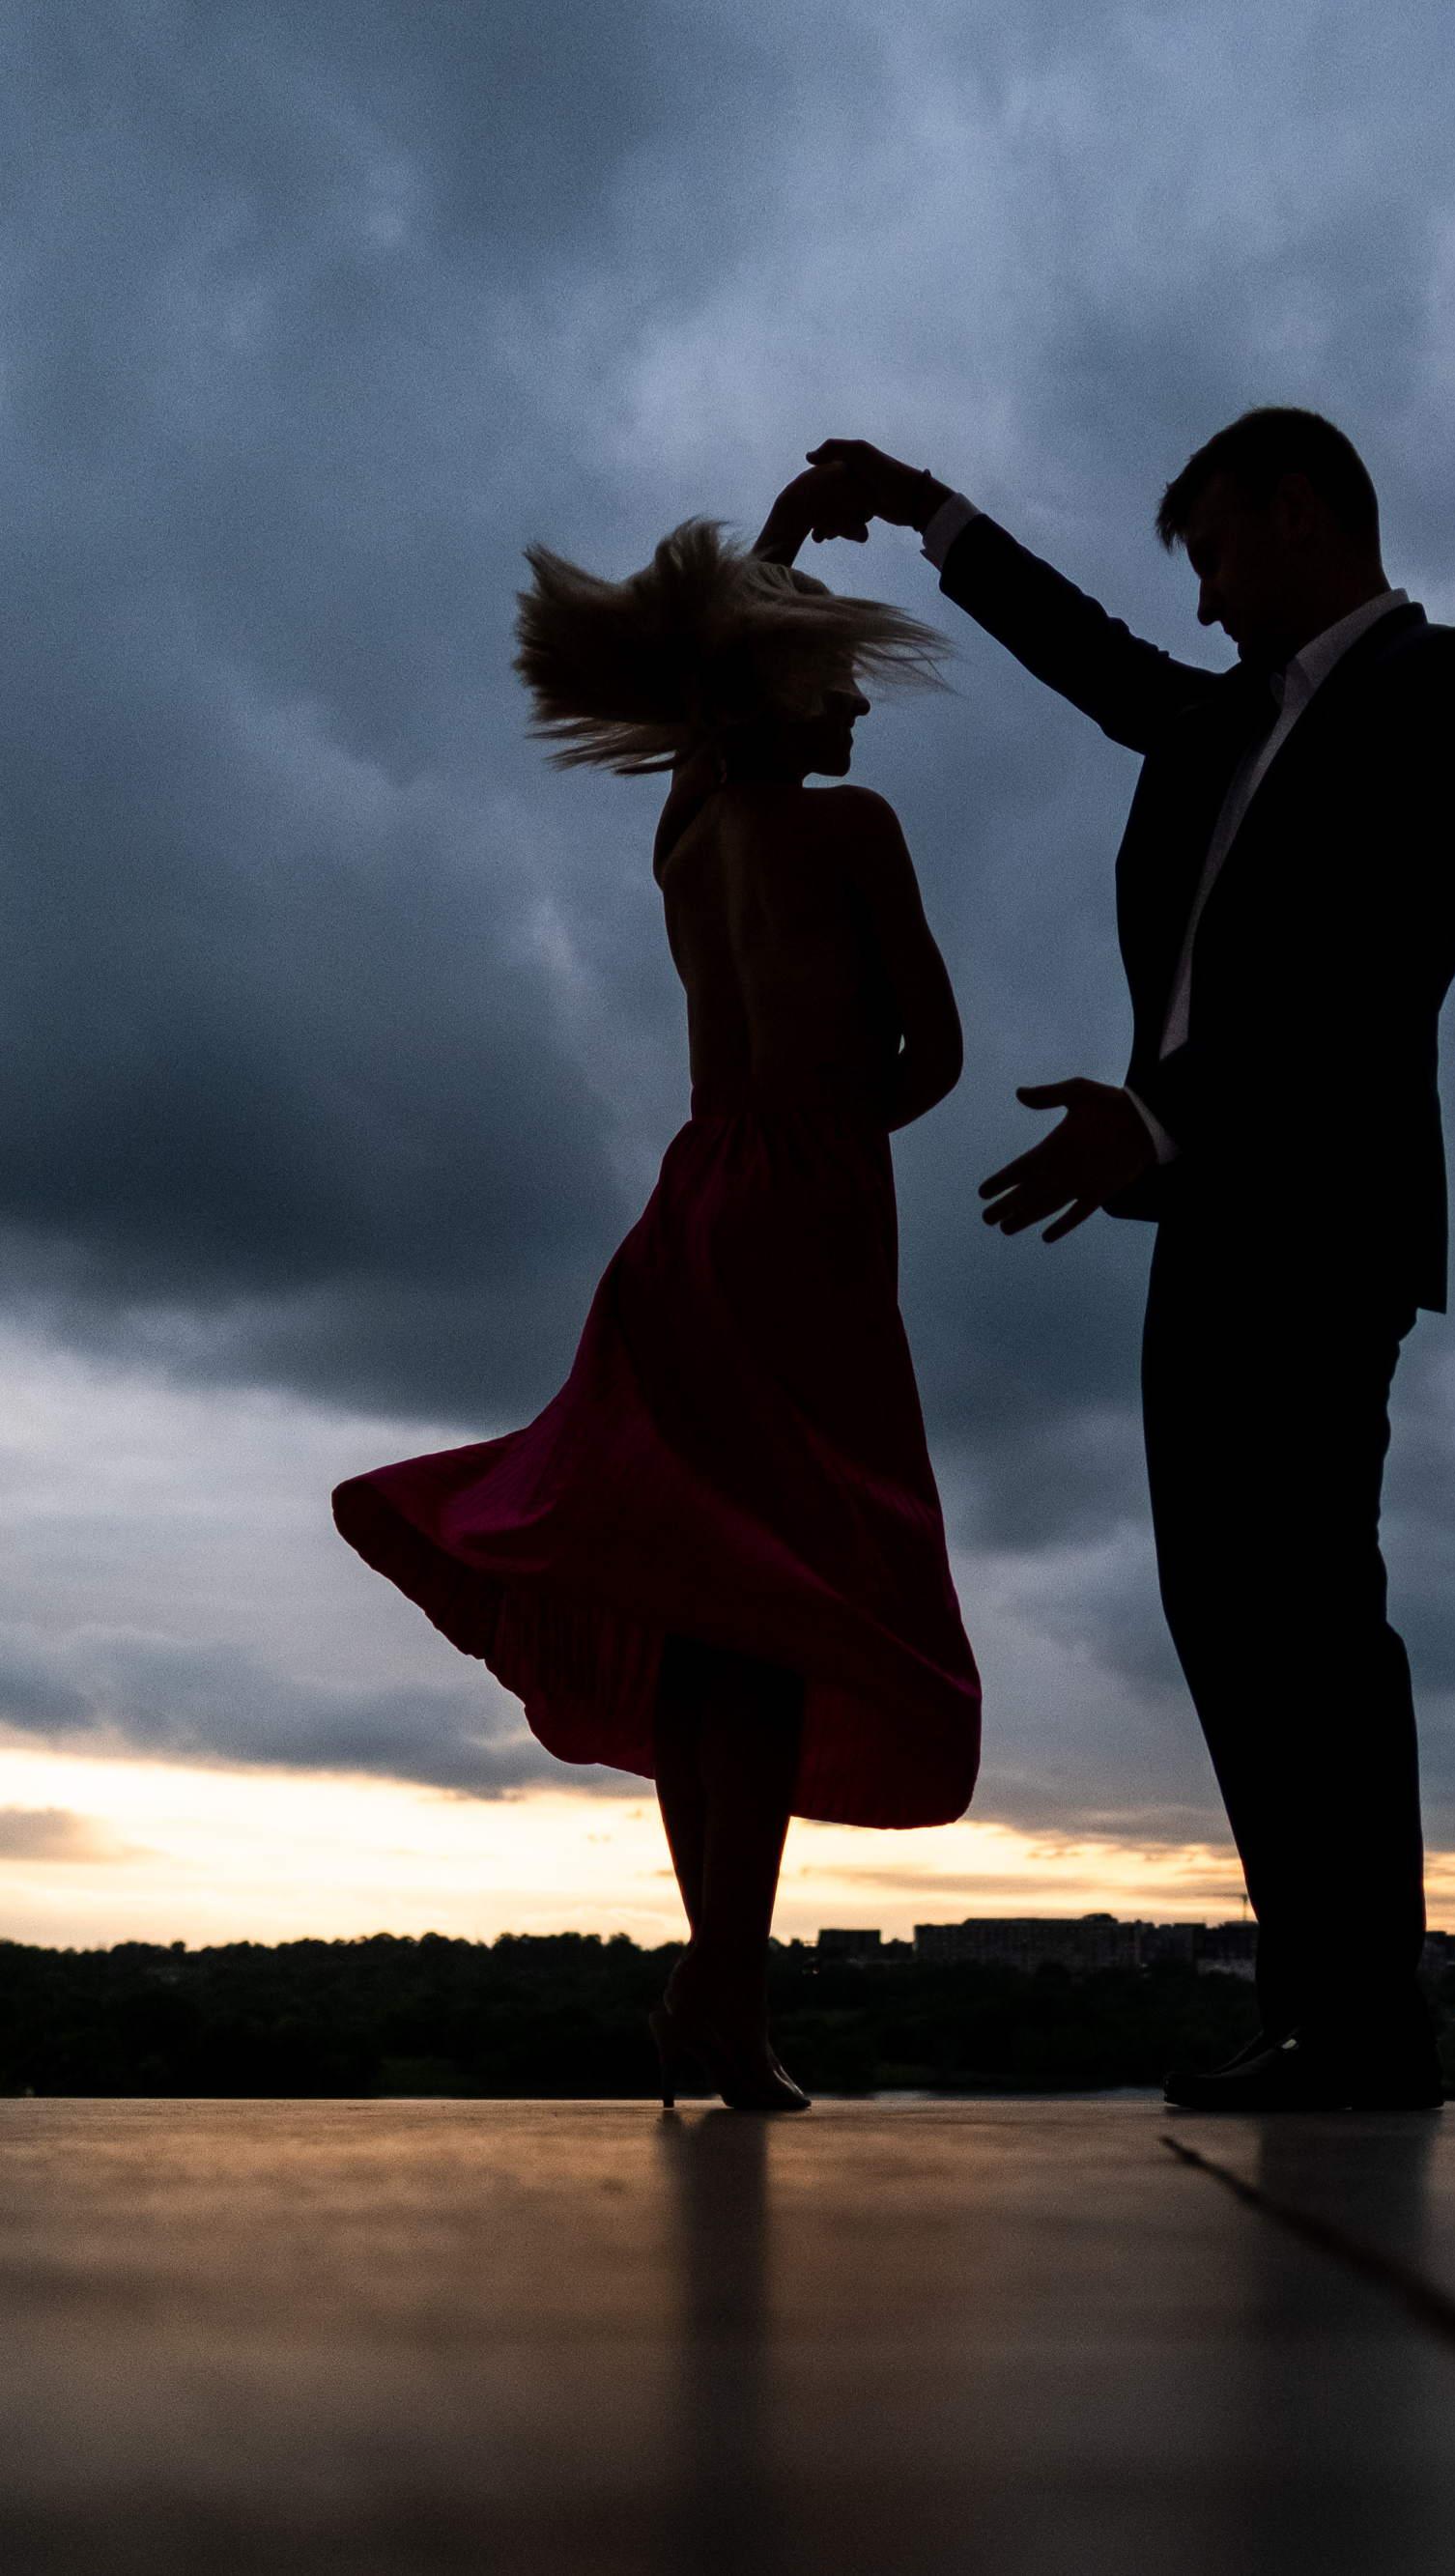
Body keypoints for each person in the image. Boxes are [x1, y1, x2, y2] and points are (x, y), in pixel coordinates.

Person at [761, 409, 1455, 2110]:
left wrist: (1166, 1127)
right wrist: (924, 511)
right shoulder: (1226, 719)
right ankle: (1321, 2006)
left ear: (1305, 510)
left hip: (1319, 1208)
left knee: (1314, 1609)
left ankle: (1370, 2026)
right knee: (1222, 1610)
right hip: (1199, 1209)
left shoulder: (1442, 689)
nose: (1201, 606)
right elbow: (1097, 660)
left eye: (1220, 556)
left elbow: (1380, 965)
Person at [332, 521, 980, 2111]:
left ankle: (722, 1992)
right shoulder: (858, 832)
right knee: (776, 1601)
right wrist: (831, 1139)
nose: (863, 711)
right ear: (772, 684)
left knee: (717, 1610)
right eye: (837, 676)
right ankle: (725, 1995)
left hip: (693, 1205)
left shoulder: (685, 840)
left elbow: (706, 713)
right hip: (810, 1215)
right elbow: (937, 1058)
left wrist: (772, 544)